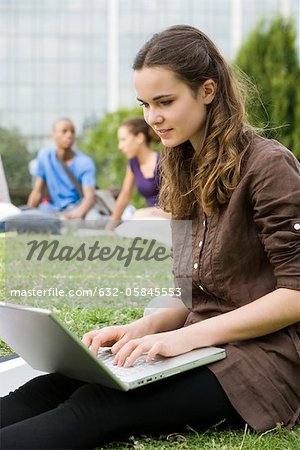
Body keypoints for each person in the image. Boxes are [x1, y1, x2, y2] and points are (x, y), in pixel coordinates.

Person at [1, 24, 300, 449]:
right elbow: (189, 294)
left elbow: (296, 293)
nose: (152, 118)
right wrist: (141, 328)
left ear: (208, 91)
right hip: (200, 345)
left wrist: (182, 338)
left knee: (96, 405)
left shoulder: (268, 165)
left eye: (165, 102)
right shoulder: (179, 165)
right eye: (145, 104)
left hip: (262, 359)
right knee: (50, 386)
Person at [106, 117, 169, 230]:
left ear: (139, 137)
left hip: (168, 217)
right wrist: (109, 229)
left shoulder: (162, 162)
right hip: (149, 217)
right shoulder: (133, 164)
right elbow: (125, 196)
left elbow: (174, 206)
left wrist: (144, 214)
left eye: (123, 140)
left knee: (136, 217)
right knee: (129, 218)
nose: (120, 146)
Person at [27, 118, 97, 221]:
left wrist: (76, 215)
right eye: (64, 131)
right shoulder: (45, 157)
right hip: (51, 210)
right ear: (53, 134)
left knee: (94, 220)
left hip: (77, 208)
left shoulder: (85, 162)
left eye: (72, 132)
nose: (69, 135)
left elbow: (89, 197)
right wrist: (27, 216)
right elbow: (37, 192)